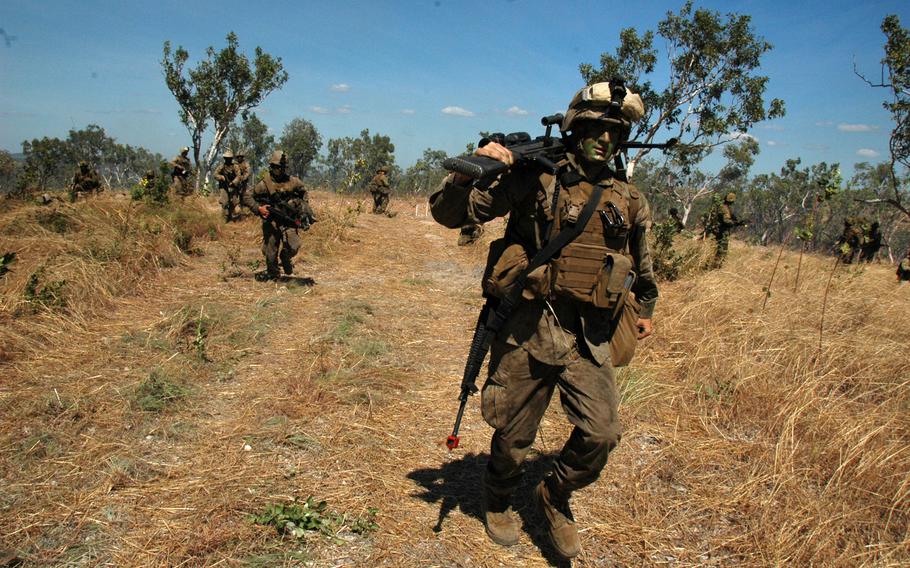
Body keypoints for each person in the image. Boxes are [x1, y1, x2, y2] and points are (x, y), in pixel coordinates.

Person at [429, 81, 658, 559]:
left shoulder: (629, 199)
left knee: (601, 433)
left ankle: (553, 496)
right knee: (513, 436)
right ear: (576, 129)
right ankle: (497, 497)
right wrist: (472, 171)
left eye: (614, 132)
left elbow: (643, 265)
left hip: (588, 335)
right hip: (530, 326)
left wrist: (646, 310)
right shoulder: (537, 178)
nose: (604, 140)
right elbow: (453, 215)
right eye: (595, 128)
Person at [242, 150, 314, 281]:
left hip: (288, 220)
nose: (279, 170)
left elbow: (304, 193)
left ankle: (285, 256)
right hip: (271, 221)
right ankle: (274, 274)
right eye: (276, 167)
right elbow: (247, 196)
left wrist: (301, 207)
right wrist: (258, 208)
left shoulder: (293, 181)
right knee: (270, 252)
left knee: (294, 246)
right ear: (272, 167)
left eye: (281, 168)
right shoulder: (264, 184)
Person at [708, 192, 743, 267]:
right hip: (722, 232)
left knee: (718, 250)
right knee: (722, 251)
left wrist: (737, 221)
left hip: (718, 231)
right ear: (731, 201)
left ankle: (715, 265)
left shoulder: (722, 207)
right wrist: (735, 223)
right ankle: (716, 267)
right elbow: (726, 221)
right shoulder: (724, 208)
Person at [214, 150, 240, 222]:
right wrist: (221, 177)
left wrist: (233, 182)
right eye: (226, 158)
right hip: (224, 186)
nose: (228, 160)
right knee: (224, 202)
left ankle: (231, 215)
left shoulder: (235, 166)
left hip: (233, 186)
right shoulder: (221, 166)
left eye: (229, 158)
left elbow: (238, 176)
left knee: (234, 202)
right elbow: (215, 174)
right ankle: (225, 217)